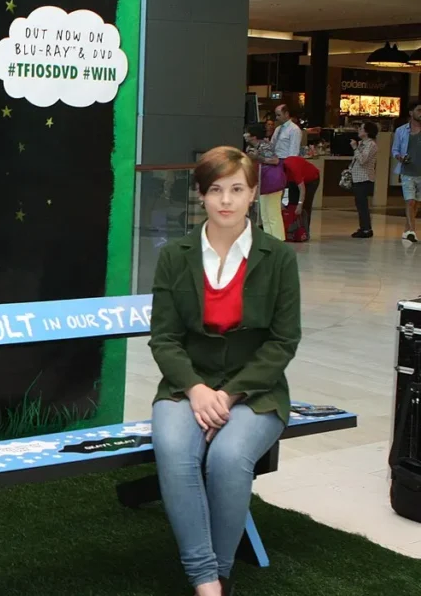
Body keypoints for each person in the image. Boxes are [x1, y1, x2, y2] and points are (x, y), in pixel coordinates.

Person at [149, 146, 301, 596]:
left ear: (253, 193)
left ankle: (220, 573)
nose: (226, 200)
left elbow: (283, 341)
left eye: (237, 189)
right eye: (215, 190)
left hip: (255, 389)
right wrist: (196, 390)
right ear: (201, 195)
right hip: (186, 385)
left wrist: (229, 394)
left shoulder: (278, 258)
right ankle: (207, 582)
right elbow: (164, 338)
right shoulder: (175, 255)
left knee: (229, 458)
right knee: (174, 450)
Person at [244, 124, 285, 241]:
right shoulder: (251, 147)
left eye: (247, 133)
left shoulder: (265, 145)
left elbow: (275, 160)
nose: (245, 135)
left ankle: (278, 240)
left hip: (272, 182)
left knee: (273, 213)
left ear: (254, 136)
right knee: (265, 215)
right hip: (263, 183)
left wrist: (259, 158)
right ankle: (269, 240)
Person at [392, 100, 421, 243]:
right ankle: (412, 231)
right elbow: (395, 150)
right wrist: (400, 157)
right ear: (411, 113)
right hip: (407, 170)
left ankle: (406, 229)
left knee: (417, 202)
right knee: (410, 201)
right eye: (419, 110)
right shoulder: (401, 131)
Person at [350, 122, 380, 239]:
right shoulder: (362, 144)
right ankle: (363, 227)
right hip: (357, 177)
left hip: (365, 178)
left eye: (361, 128)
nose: (359, 130)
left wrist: (355, 148)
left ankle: (367, 229)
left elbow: (363, 160)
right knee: (359, 204)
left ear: (367, 132)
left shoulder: (371, 145)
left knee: (363, 205)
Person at [281, 154, 320, 240]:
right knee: (292, 205)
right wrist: (280, 202)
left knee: (305, 206)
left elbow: (302, 189)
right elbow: (282, 187)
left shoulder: (294, 169)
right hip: (293, 180)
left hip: (311, 179)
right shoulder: (280, 171)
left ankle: (305, 233)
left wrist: (300, 204)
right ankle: (292, 231)